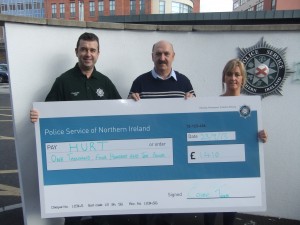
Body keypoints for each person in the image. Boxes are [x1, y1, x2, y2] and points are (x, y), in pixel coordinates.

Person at [30, 32, 121, 225]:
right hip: (73, 159)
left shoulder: (105, 82)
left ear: (98, 53)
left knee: (102, 210)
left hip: (101, 158)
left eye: (92, 50)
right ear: (76, 51)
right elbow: (48, 113)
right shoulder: (63, 81)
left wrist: (136, 105)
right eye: (84, 49)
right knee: (73, 211)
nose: (88, 54)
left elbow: (120, 114)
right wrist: (38, 116)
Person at [128, 40, 195, 225]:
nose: (162, 58)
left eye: (166, 54)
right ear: (152, 57)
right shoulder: (139, 82)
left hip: (173, 155)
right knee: (145, 201)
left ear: (173, 56)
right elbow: (127, 121)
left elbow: (194, 119)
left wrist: (192, 104)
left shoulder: (184, 82)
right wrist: (131, 104)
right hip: (146, 154)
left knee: (168, 202)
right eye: (158, 54)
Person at [203, 58, 268, 225]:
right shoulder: (211, 105)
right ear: (223, 78)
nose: (233, 78)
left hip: (236, 166)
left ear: (243, 79)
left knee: (230, 209)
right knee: (210, 208)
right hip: (214, 163)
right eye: (229, 74)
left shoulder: (251, 106)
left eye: (237, 74)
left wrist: (261, 137)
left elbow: (251, 136)